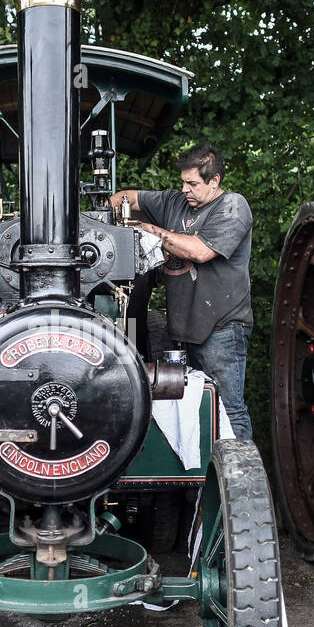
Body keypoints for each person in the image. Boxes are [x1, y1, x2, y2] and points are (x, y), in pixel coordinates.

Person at [110, 144, 254, 440]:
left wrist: (151, 232)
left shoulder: (232, 207)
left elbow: (200, 251)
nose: (185, 189)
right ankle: (202, 482)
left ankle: (240, 479)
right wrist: (107, 214)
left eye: (193, 184)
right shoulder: (173, 203)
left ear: (214, 181)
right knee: (190, 410)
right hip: (182, 332)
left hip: (221, 329)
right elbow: (129, 197)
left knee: (229, 411)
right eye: (182, 182)